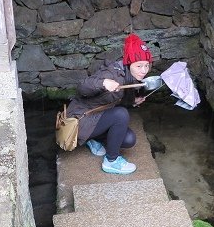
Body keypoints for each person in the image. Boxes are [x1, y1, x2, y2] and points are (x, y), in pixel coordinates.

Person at [65, 33, 152, 174]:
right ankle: (111, 161)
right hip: (79, 119)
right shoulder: (111, 73)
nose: (144, 70)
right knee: (121, 114)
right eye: (139, 66)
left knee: (129, 139)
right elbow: (82, 87)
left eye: (146, 65)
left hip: (96, 117)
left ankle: (91, 139)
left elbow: (112, 99)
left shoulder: (129, 75)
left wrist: (132, 101)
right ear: (129, 63)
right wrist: (103, 83)